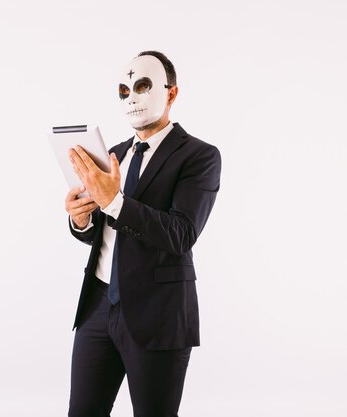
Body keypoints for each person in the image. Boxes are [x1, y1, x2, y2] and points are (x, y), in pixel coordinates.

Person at [64, 51, 221, 417]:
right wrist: (81, 220)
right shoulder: (113, 155)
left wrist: (114, 202)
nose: (132, 96)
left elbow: (181, 234)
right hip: (99, 307)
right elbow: (104, 234)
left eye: (143, 85)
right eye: (124, 89)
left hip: (158, 314)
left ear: (171, 93)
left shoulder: (199, 157)